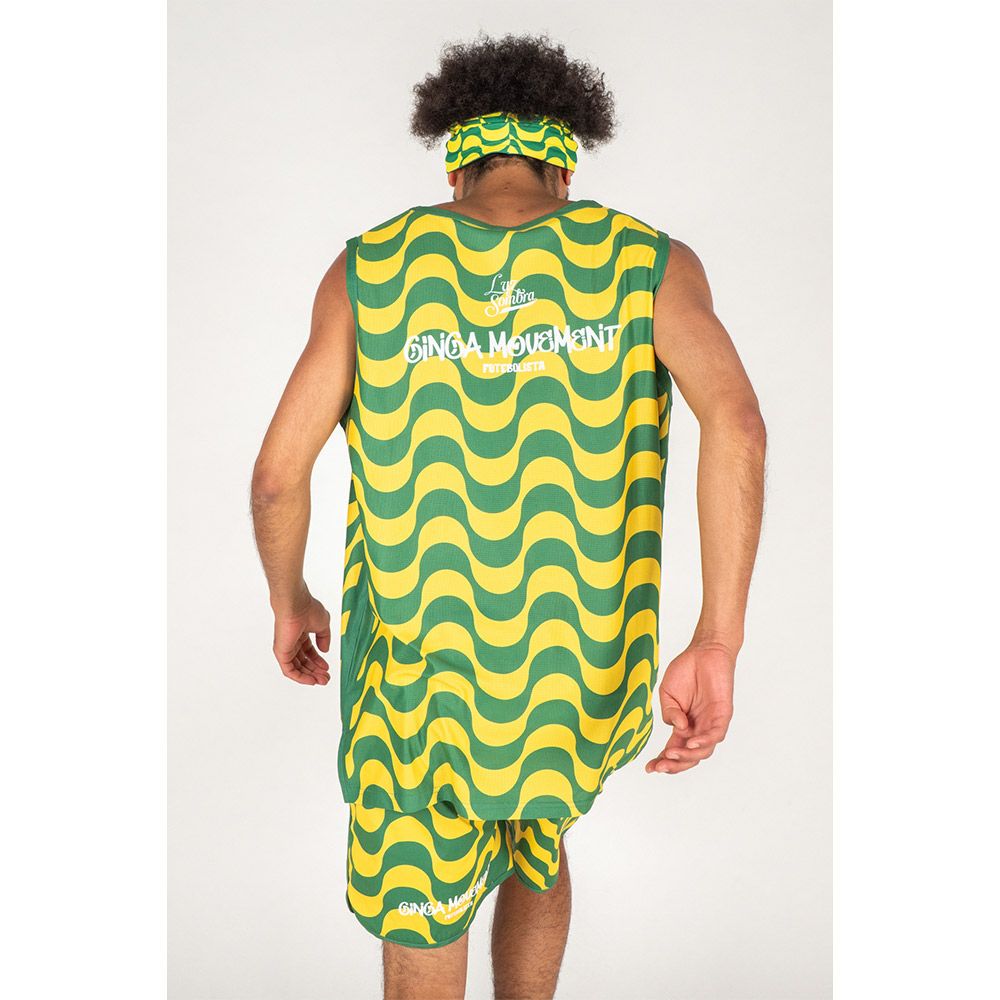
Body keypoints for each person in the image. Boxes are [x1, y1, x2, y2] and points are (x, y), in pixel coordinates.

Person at [251, 32, 765, 1000]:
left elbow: (278, 477)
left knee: (422, 898)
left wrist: (291, 598)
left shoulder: (372, 269)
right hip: (576, 666)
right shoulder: (647, 262)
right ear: (566, 162)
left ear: (455, 161)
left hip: (422, 672)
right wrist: (717, 638)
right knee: (536, 829)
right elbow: (736, 422)